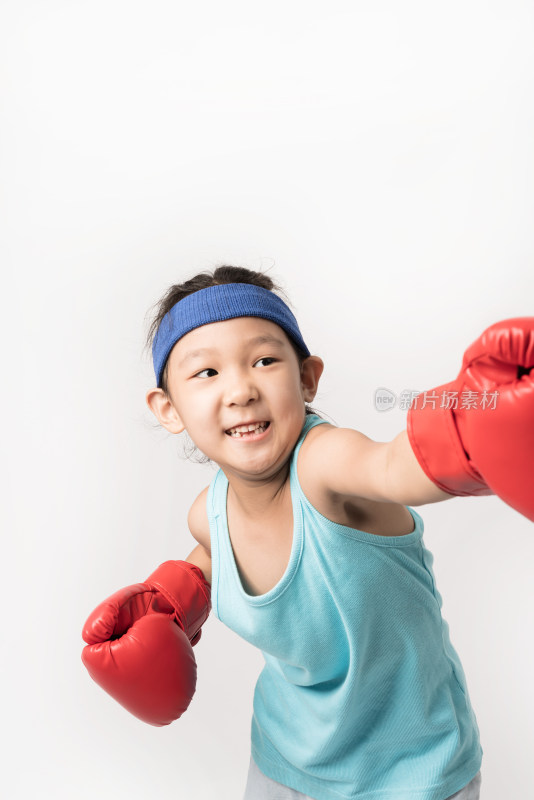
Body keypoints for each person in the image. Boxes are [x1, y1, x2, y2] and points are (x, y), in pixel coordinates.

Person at [82, 264, 534, 800]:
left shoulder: (325, 465)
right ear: (168, 408)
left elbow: (392, 466)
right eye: (207, 373)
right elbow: (213, 554)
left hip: (412, 771)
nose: (241, 389)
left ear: (307, 379)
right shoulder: (207, 514)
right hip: (286, 759)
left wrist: (470, 432)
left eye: (265, 360)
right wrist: (173, 601)